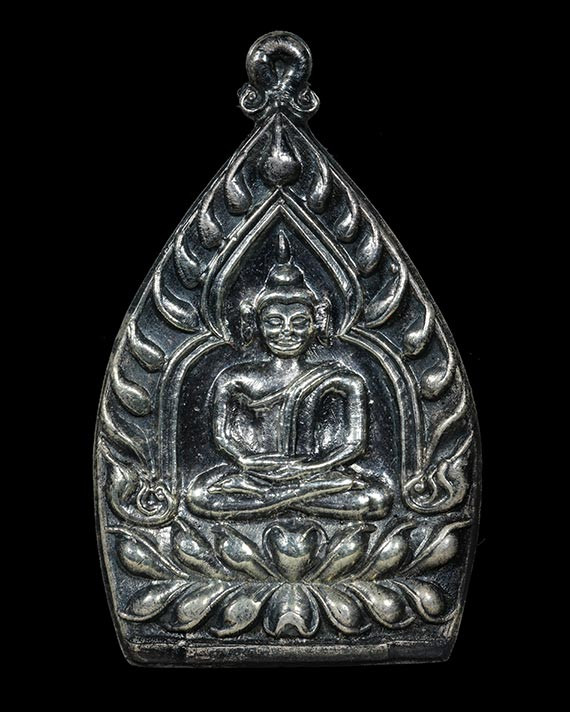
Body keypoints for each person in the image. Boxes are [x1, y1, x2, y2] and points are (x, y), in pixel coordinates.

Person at [186, 234, 393, 520]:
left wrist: (309, 468)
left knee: (377, 498)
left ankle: (272, 502)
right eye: (274, 321)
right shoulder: (234, 378)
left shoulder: (345, 380)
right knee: (198, 496)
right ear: (257, 324)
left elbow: (354, 444)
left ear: (315, 324)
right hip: (257, 474)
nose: (287, 332)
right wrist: (248, 462)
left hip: (316, 474)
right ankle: (290, 499)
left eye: (299, 322)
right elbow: (223, 438)